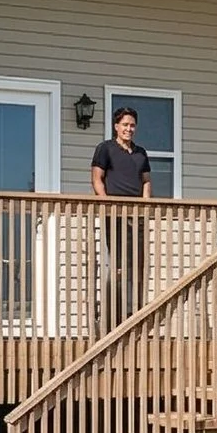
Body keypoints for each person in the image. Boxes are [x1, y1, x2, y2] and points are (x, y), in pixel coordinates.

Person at [90, 105, 153, 325]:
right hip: (114, 214)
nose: (129, 129)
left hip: (137, 216)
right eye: (125, 125)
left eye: (132, 125)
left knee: (137, 266)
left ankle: (134, 316)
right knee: (116, 265)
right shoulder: (105, 149)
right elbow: (97, 178)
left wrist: (145, 207)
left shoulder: (140, 152)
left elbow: (146, 182)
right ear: (116, 126)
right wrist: (107, 203)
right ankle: (111, 318)